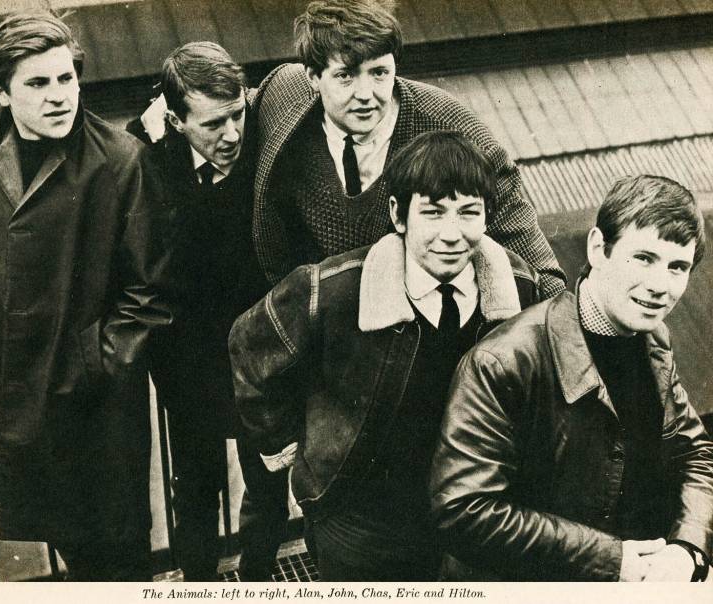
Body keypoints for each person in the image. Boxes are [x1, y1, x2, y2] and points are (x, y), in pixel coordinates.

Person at [229, 131, 544, 581]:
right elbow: (249, 347)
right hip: (360, 522)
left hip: (471, 515)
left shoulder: (520, 288)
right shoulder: (331, 290)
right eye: (432, 212)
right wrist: (295, 449)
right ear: (398, 214)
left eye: (469, 212)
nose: (451, 234)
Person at [0, 12, 171, 580]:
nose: (58, 96)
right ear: (1, 93)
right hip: (18, 392)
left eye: (66, 78)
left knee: (118, 556)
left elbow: (149, 290)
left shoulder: (120, 161)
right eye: (38, 83)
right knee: (65, 542)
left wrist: (96, 362)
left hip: (95, 407)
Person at [430, 175, 713, 581]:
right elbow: (465, 510)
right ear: (598, 248)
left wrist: (687, 549)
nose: (659, 286)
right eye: (643, 258)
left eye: (677, 267)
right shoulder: (503, 360)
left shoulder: (652, 338)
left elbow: (695, 453)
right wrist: (614, 561)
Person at [250, 0, 566, 299]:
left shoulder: (455, 131)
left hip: (415, 324)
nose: (365, 94)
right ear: (313, 77)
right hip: (303, 316)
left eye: (379, 73)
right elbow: (229, 105)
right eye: (345, 76)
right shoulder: (283, 95)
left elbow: (541, 274)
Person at [130, 42, 288, 581]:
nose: (232, 134)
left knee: (267, 486)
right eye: (213, 124)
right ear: (175, 121)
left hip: (260, 358)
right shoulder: (151, 155)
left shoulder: (262, 134)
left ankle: (259, 581)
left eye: (237, 114)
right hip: (189, 363)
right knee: (196, 491)